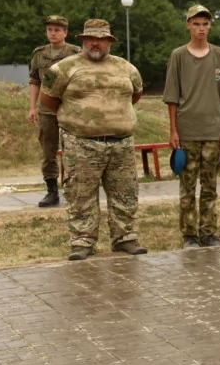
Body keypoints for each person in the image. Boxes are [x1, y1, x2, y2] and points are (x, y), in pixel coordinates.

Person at [39, 19, 148, 261]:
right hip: (81, 144)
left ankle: (125, 239)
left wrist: (111, 116)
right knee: (80, 194)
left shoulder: (126, 68)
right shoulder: (63, 69)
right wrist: (80, 118)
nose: (95, 43)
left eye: (101, 39)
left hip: (121, 143)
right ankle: (82, 242)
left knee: (125, 193)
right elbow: (48, 99)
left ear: (109, 41)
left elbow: (136, 95)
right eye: (91, 39)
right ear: (83, 41)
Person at [163, 5, 220, 248]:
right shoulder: (179, 56)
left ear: (209, 26)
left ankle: (209, 232)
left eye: (205, 23)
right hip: (187, 131)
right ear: (188, 25)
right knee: (188, 185)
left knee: (210, 185)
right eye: (196, 23)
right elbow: (171, 96)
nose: (201, 28)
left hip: (212, 130)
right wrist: (173, 130)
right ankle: (189, 234)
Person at [28, 15, 80, 208]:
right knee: (48, 150)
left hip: (69, 109)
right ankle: (52, 191)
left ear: (65, 32)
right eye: (50, 29)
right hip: (46, 110)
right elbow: (34, 81)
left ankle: (73, 189)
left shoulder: (75, 53)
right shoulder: (39, 54)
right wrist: (32, 107)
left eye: (57, 30)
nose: (53, 33)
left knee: (73, 150)